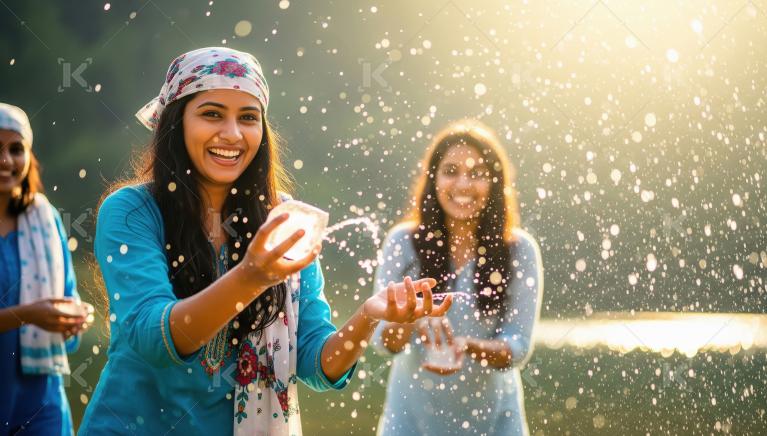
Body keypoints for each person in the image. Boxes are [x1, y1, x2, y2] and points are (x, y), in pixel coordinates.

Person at [78, 47, 452, 435]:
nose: (233, 134)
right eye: (211, 114)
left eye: (248, 118)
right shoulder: (133, 211)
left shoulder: (284, 221)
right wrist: (251, 276)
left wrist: (368, 317)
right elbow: (152, 338)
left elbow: (312, 363)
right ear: (177, 122)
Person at [371, 120, 543, 435]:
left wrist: (465, 346)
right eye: (451, 171)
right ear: (433, 180)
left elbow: (517, 348)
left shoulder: (519, 250)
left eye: (476, 174)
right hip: (410, 422)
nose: (463, 184)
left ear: (494, 183)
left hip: (495, 421)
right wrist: (412, 320)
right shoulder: (402, 243)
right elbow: (384, 342)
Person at [0, 102, 94, 435]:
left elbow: (65, 294)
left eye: (16, 149)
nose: (6, 161)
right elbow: (35, 312)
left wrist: (73, 319)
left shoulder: (45, 218)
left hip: (41, 399)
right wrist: (28, 314)